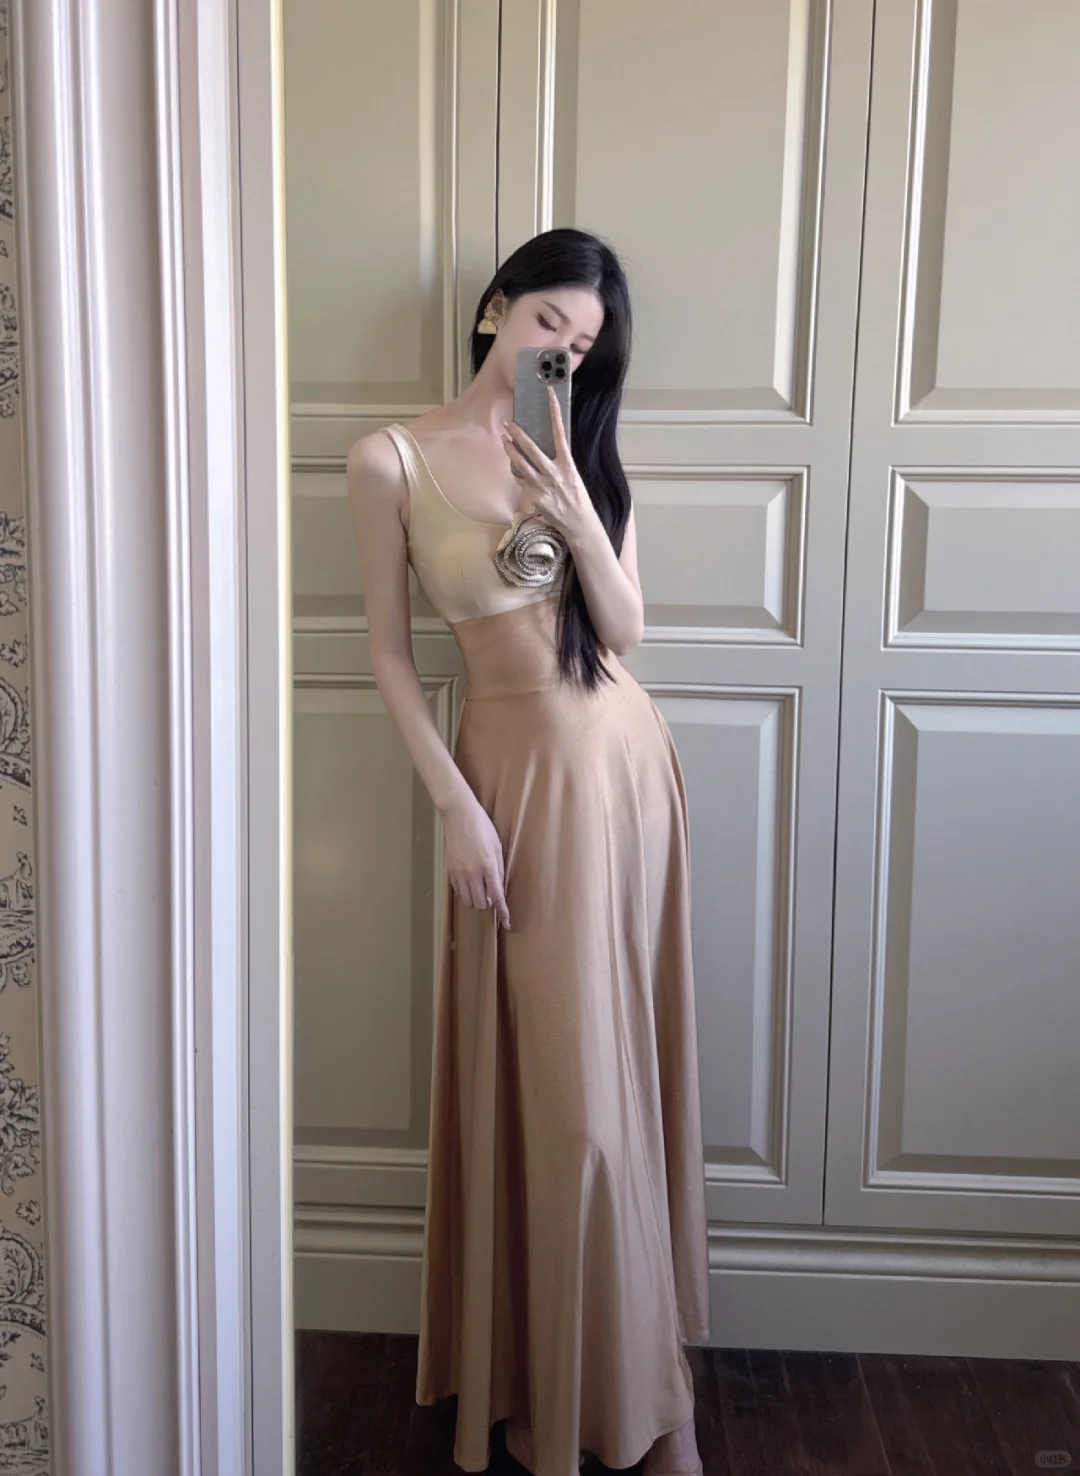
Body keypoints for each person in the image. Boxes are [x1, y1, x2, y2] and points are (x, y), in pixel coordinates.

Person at [346, 227, 710, 1476]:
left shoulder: (586, 453)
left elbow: (627, 629)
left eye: (587, 340)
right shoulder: (390, 460)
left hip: (623, 773)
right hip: (509, 784)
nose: (566, 349)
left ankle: (652, 1407)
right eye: (553, 319)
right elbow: (390, 655)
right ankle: (540, 1386)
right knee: (562, 1100)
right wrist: (454, 805)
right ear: (499, 305)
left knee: (618, 1093)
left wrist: (577, 510)